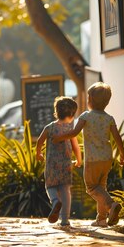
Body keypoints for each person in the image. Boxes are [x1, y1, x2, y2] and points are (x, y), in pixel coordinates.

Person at [52, 82, 124, 228]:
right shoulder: (109, 118)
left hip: (93, 159)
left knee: (92, 188)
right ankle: (101, 219)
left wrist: (59, 137)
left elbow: (74, 133)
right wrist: (122, 155)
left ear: (90, 99)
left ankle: (111, 206)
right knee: (101, 188)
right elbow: (117, 138)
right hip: (107, 158)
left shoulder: (86, 116)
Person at [36, 96, 82, 228]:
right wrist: (79, 160)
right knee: (65, 190)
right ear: (72, 114)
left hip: (51, 165)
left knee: (50, 186)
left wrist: (38, 153)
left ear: (56, 112)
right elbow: (76, 146)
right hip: (66, 165)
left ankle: (55, 201)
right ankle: (65, 220)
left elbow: (39, 141)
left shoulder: (49, 127)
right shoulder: (70, 130)